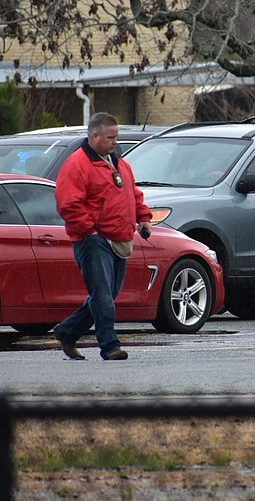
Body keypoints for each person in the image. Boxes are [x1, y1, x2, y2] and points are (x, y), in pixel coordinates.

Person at [53, 112, 152, 361]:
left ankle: (67, 331)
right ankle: (109, 345)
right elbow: (69, 204)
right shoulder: (77, 165)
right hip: (93, 240)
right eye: (110, 137)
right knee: (103, 297)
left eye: (116, 137)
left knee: (107, 295)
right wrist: (91, 230)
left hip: (119, 238)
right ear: (94, 135)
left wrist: (143, 218)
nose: (115, 142)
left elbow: (133, 194)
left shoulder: (119, 163)